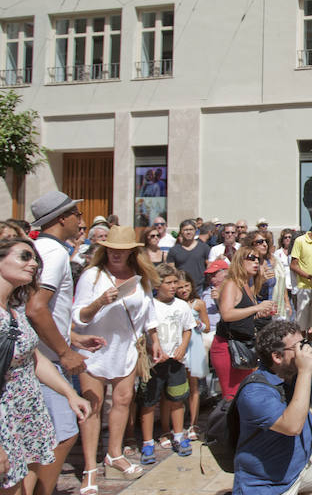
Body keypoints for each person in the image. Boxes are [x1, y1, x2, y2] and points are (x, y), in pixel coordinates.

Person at [72, 226, 165, 491]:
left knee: (123, 401)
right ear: (105, 249)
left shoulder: (139, 277)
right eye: (112, 248)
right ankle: (90, 467)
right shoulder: (92, 275)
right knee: (92, 406)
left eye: (122, 249)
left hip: (126, 347)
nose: (116, 253)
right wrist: (100, 302)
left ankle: (114, 453)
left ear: (132, 252)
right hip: (93, 348)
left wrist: (154, 340)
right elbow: (79, 316)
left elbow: (149, 312)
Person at [27, 191, 106, 495]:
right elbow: (35, 307)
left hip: (46, 355)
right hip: (44, 361)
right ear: (62, 218)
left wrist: (72, 338)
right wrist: (64, 351)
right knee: (63, 432)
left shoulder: (44, 248)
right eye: (76, 215)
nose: (80, 220)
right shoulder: (54, 252)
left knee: (50, 434)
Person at [0, 238, 91, 495]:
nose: (33, 263)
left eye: (35, 260)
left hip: (25, 413)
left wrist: (70, 393)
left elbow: (33, 358)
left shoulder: (13, 312)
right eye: (24, 256)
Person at [232, 320, 312, 495]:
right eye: (299, 346)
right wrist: (306, 372)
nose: (306, 349)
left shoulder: (293, 370)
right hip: (267, 483)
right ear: (277, 356)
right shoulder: (255, 392)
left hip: (300, 463)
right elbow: (292, 427)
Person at [138, 264, 195, 464]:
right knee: (149, 401)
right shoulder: (149, 305)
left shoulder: (181, 305)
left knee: (177, 398)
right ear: (157, 284)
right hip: (154, 363)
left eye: (175, 283)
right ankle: (147, 442)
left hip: (175, 361)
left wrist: (183, 347)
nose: (173, 287)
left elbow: (188, 328)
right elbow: (143, 334)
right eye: (168, 283)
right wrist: (151, 350)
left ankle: (178, 435)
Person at [210, 249, 275, 400]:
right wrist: (257, 307)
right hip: (227, 348)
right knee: (231, 397)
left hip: (243, 345)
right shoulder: (232, 284)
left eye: (258, 259)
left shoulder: (246, 285)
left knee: (243, 396)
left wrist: (261, 312)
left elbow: (244, 315)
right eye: (251, 258)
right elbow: (226, 314)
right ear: (240, 261)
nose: (256, 262)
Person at [175, 270, 210, 442]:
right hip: (178, 345)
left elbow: (208, 327)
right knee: (178, 387)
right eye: (180, 287)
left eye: (186, 286)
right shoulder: (173, 304)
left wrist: (199, 324)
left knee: (194, 387)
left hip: (194, 345)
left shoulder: (199, 304)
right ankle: (178, 424)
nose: (183, 290)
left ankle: (193, 423)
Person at [168, 220, 211, 296]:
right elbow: (171, 270)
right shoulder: (173, 250)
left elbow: (209, 266)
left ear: (195, 231)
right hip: (181, 289)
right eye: (185, 230)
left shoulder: (204, 247)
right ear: (181, 232)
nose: (188, 232)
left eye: (191, 229)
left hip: (200, 288)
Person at [201, 259, 228, 351]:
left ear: (225, 273)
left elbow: (230, 313)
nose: (210, 276)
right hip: (206, 329)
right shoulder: (207, 291)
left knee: (205, 341)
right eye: (209, 274)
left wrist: (219, 300)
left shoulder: (231, 289)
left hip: (222, 330)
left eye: (213, 273)